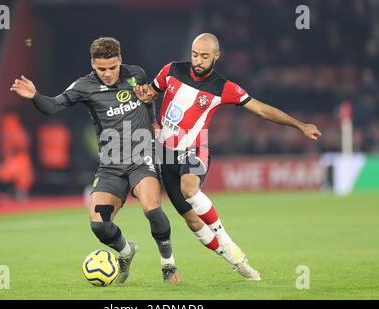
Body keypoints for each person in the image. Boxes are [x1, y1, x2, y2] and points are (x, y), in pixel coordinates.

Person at [134, 33, 321, 281]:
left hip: (195, 148)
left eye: (204, 56)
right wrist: (146, 101)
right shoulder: (171, 70)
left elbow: (263, 110)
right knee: (191, 221)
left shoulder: (224, 88)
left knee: (189, 188)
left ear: (216, 57)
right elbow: (151, 95)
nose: (198, 61)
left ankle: (226, 240)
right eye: (194, 54)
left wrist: (300, 125)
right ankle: (234, 259)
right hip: (165, 154)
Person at [10, 37, 179, 284]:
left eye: (112, 67)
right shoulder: (84, 86)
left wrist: (153, 122)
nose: (108, 74)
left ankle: (168, 264)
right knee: (99, 225)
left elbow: (147, 99)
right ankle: (126, 252)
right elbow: (53, 106)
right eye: (102, 69)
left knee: (151, 208)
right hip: (111, 164)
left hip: (142, 157)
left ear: (120, 60)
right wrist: (35, 95)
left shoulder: (135, 74)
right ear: (92, 64)